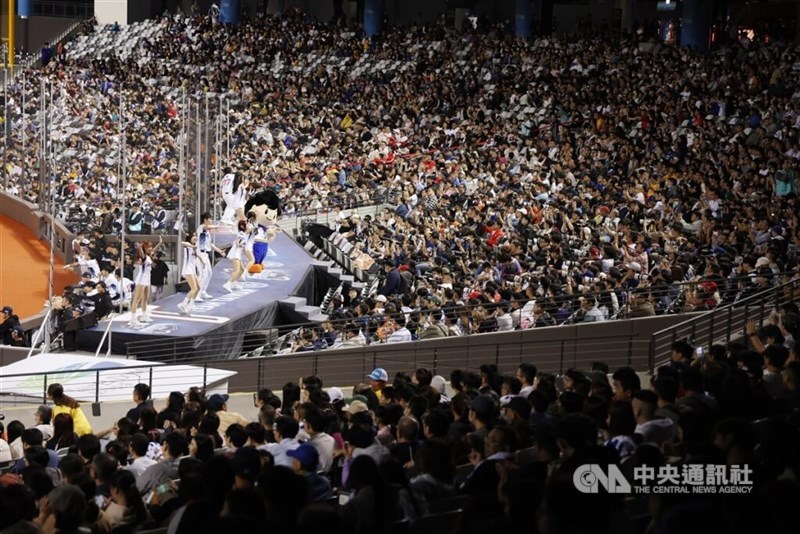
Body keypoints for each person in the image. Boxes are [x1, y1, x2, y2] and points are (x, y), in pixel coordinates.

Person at [128, 236, 163, 326]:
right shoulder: (143, 256)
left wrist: (160, 243)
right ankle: (133, 318)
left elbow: (154, 250)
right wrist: (140, 247)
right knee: (137, 299)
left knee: (145, 298)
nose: (150, 249)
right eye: (148, 247)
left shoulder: (149, 256)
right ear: (145, 248)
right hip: (141, 279)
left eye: (151, 247)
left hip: (147, 279)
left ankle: (144, 315)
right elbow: (142, 253)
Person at [195, 212, 226, 301]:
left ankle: (203, 292)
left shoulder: (207, 232)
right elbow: (207, 227)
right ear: (205, 220)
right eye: (210, 219)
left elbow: (210, 244)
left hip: (206, 253)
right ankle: (196, 294)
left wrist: (220, 251)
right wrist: (217, 226)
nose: (211, 221)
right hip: (200, 253)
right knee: (202, 274)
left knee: (209, 273)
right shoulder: (201, 227)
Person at [223, 220, 248, 293]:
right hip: (235, 254)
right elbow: (237, 242)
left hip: (238, 254)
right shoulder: (241, 234)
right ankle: (228, 284)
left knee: (242, 270)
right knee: (237, 270)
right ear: (242, 226)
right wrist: (240, 245)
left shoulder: (244, 234)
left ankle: (233, 283)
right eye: (246, 225)